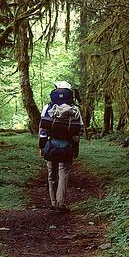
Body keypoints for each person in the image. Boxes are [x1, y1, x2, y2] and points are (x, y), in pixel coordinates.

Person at [39, 81, 83, 214]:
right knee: (63, 173)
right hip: (67, 145)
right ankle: (61, 204)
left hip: (50, 143)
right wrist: (75, 150)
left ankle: (53, 203)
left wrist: (41, 147)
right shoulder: (74, 109)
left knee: (51, 174)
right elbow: (77, 132)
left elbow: (42, 129)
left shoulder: (48, 107)